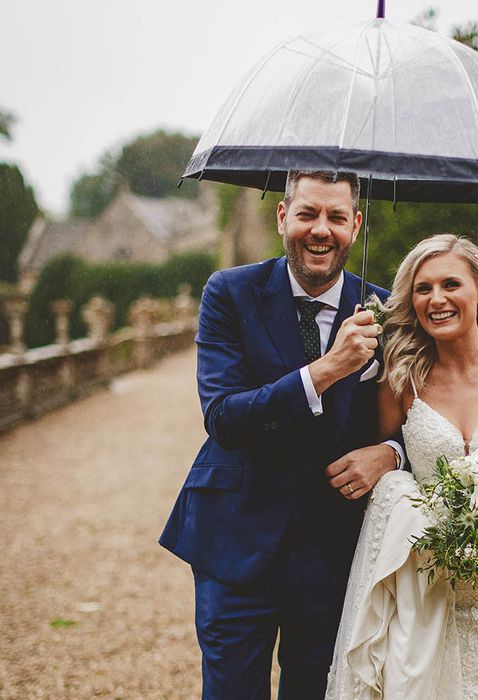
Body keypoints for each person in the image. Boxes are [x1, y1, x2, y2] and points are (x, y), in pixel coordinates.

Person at [159, 170, 404, 699]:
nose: (321, 230)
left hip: (332, 545)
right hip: (236, 536)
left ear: (356, 226)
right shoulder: (228, 293)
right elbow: (223, 415)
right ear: (282, 217)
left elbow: (422, 415)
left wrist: (390, 454)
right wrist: (328, 368)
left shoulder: (386, 311)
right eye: (308, 213)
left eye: (336, 217)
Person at [326, 234, 478, 699]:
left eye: (450, 284)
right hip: (423, 578)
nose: (436, 300)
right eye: (422, 288)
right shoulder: (402, 378)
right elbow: (388, 455)